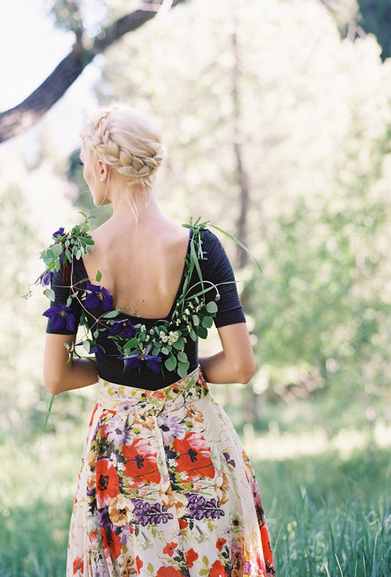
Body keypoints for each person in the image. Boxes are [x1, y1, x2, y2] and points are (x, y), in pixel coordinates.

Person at [43, 103, 276, 577]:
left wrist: (120, 377)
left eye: (86, 163)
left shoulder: (72, 257)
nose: (86, 174)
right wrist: (180, 378)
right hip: (198, 441)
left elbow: (56, 377)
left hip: (120, 453)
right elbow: (240, 367)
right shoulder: (202, 247)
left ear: (103, 168)